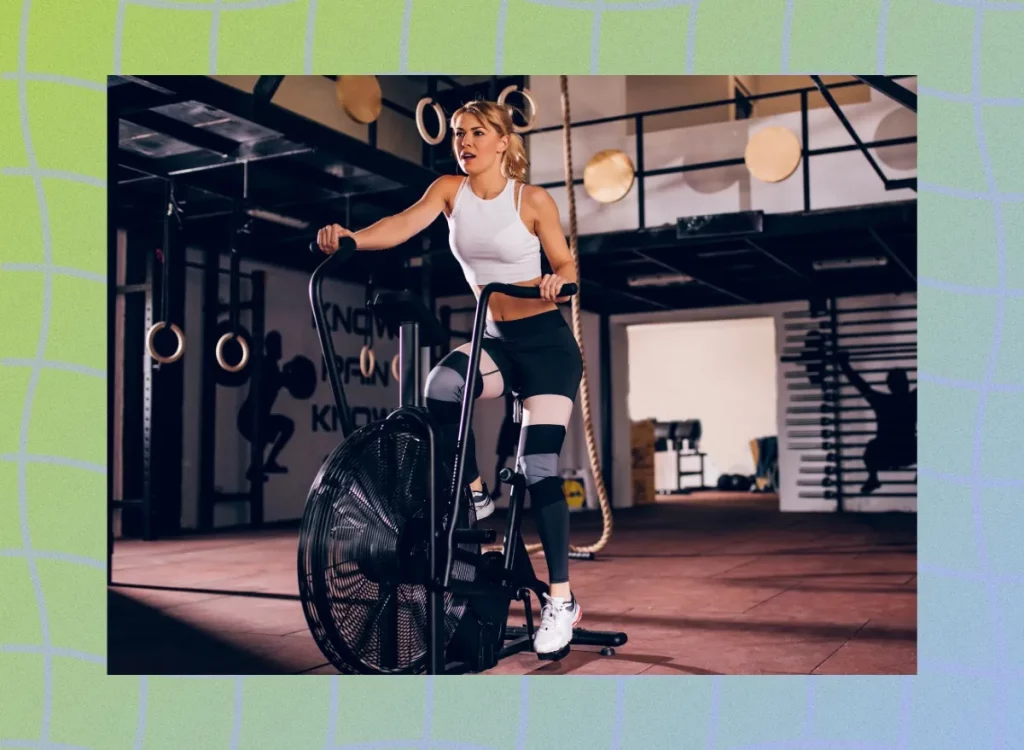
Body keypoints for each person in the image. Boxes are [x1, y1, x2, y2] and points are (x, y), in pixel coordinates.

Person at [316, 99, 583, 657]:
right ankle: (477, 492)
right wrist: (352, 238)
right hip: (498, 342)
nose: (464, 141)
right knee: (442, 387)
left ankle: (561, 599)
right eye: (459, 133)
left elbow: (566, 262)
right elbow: (399, 226)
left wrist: (558, 282)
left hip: (547, 349)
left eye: (476, 133)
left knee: (537, 467)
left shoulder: (529, 199)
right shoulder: (448, 191)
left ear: (503, 142)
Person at [837, 351, 916, 495]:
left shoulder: (882, 402)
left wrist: (844, 365)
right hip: (908, 452)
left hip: (887, 454)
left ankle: (873, 478)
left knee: (872, 446)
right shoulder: (912, 400)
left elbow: (861, 386)